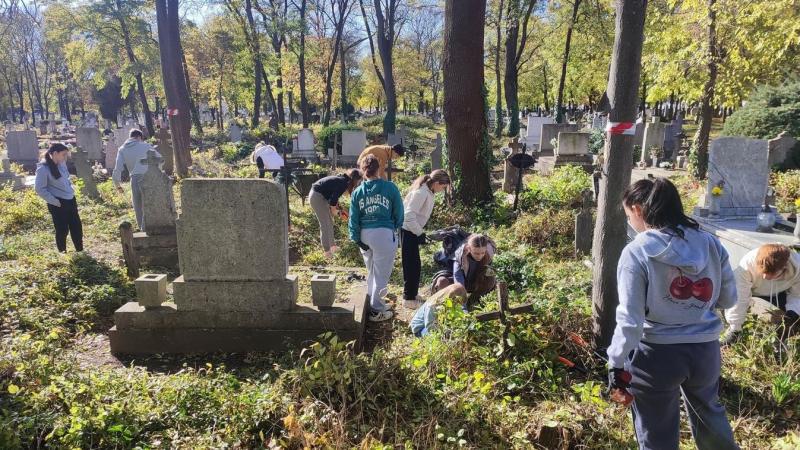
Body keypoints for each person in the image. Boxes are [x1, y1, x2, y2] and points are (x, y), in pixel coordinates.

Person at [606, 178, 739, 450]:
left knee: (657, 431)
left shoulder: (637, 251)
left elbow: (630, 319)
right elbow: (728, 299)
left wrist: (616, 361)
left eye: (629, 215)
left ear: (638, 209)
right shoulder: (710, 243)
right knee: (710, 415)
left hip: (657, 354)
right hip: (705, 351)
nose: (630, 221)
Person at [349, 155, 404, 322]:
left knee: (372, 271)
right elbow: (399, 211)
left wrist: (356, 238)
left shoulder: (358, 191)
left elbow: (353, 218)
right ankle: (376, 310)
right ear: (379, 169)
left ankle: (372, 301)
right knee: (381, 274)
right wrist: (396, 227)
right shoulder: (390, 187)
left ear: (363, 171)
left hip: (364, 234)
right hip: (383, 233)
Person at [721, 244, 800, 349]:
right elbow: (739, 297)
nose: (765, 276)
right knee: (730, 304)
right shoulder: (747, 266)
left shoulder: (797, 268)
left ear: (784, 268)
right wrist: (735, 328)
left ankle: (779, 345)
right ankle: (735, 331)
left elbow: (797, 294)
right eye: (763, 271)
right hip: (752, 293)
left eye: (771, 273)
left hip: (780, 294)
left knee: (790, 322)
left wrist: (793, 312)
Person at [401, 169, 451, 308]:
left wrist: (419, 232)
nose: (442, 190)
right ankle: (408, 299)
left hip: (412, 231)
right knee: (411, 266)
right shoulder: (421, 193)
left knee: (415, 265)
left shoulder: (428, 191)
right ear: (436, 182)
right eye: (443, 187)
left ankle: (412, 294)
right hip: (408, 230)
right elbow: (408, 216)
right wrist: (419, 233)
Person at [35, 143, 84, 253]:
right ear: (55, 153)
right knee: (62, 230)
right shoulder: (43, 168)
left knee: (76, 227)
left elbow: (66, 180)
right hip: (58, 203)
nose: (65, 157)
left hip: (70, 200)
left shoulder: (62, 164)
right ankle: (62, 252)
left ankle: (80, 251)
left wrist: (71, 190)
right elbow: (39, 189)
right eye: (63, 154)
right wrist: (55, 201)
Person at [431, 233, 497, 310]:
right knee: (442, 282)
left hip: (472, 280)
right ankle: (446, 307)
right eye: (476, 253)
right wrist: (463, 308)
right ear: (469, 249)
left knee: (490, 278)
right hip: (455, 281)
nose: (480, 256)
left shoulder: (487, 255)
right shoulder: (460, 259)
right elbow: (459, 284)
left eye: (482, 253)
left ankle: (473, 301)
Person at [112, 129, 161, 230]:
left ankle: (143, 230)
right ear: (139, 137)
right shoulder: (145, 145)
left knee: (138, 206)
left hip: (135, 178)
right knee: (150, 203)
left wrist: (117, 185)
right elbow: (160, 159)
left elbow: (118, 168)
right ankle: (153, 227)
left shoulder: (122, 149)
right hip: (149, 176)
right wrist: (158, 173)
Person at [308, 169, 363, 259]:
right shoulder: (343, 183)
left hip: (319, 196)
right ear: (355, 180)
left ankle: (332, 246)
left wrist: (340, 210)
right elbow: (333, 200)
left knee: (328, 222)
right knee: (325, 223)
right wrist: (334, 210)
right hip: (317, 197)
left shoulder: (342, 180)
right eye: (358, 182)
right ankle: (328, 251)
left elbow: (334, 198)